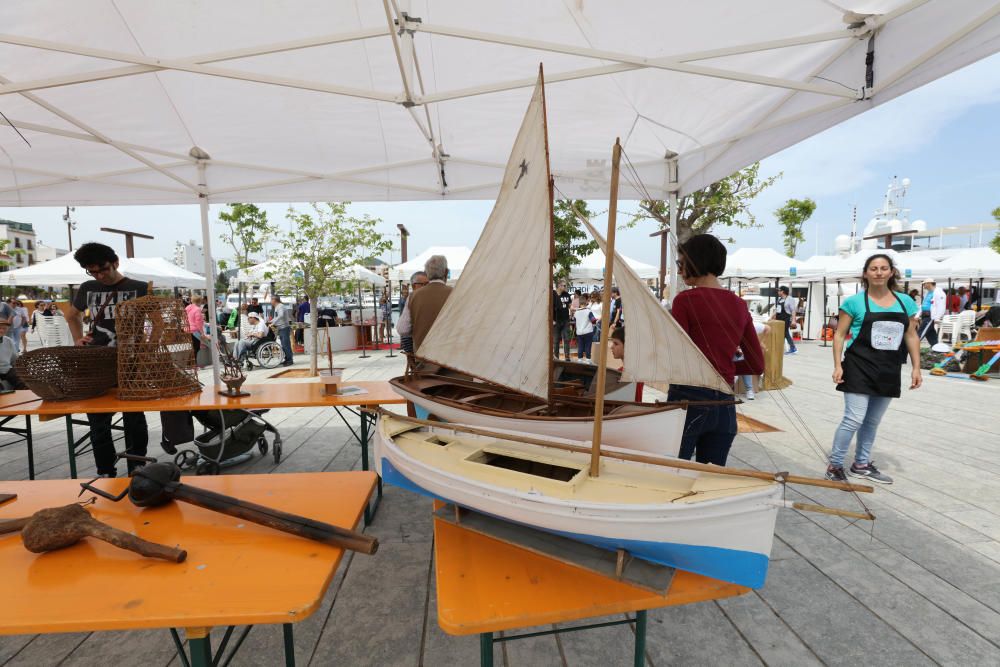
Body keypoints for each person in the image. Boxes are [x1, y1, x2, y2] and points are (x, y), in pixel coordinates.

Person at [669, 234, 764, 466]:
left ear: (695, 262)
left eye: (681, 264)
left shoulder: (685, 300)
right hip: (725, 403)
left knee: (671, 473)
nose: (680, 270)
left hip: (688, 398)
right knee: (711, 479)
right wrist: (727, 368)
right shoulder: (740, 305)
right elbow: (756, 365)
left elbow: (675, 354)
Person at [826, 253, 921, 485]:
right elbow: (839, 335)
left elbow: (911, 335)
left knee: (872, 421)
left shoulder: (905, 302)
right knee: (854, 418)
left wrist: (917, 367)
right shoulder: (854, 302)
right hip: (858, 366)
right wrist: (838, 365)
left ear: (891, 272)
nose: (879, 272)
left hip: (888, 369)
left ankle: (861, 464)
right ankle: (835, 465)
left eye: (884, 268)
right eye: (874, 268)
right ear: (866, 273)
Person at [66, 242, 149, 478]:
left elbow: (157, 321)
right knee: (98, 421)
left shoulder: (140, 288)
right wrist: (78, 339)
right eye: (92, 271)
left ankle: (137, 468)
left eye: (103, 269)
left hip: (132, 362)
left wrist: (148, 346)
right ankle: (105, 472)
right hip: (96, 362)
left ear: (115, 263)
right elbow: (72, 315)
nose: (99, 275)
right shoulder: (87, 287)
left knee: (134, 418)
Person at [407, 255, 453, 352]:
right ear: (446, 272)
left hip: (423, 357)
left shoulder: (413, 296)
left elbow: (402, 329)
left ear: (427, 273)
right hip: (450, 356)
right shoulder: (456, 293)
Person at [397, 271, 429, 354]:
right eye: (424, 284)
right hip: (418, 347)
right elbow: (403, 329)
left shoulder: (415, 297)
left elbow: (402, 329)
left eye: (428, 284)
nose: (427, 287)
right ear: (414, 286)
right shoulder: (413, 297)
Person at [737, 320, 770, 400]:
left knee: (744, 360)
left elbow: (768, 328)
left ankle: (749, 389)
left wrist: (760, 342)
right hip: (733, 351)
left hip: (745, 353)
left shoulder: (752, 325)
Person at [609, 327, 644, 402]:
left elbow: (634, 402)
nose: (611, 347)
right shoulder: (623, 370)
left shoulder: (630, 373)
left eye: (616, 344)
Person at [918, 278, 946, 345]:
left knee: (920, 333)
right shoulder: (927, 293)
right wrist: (918, 315)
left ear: (929, 283)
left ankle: (910, 348)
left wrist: (937, 318)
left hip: (930, 316)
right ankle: (936, 349)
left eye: (924, 284)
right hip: (925, 315)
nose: (923, 285)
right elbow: (923, 305)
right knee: (930, 335)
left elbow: (941, 306)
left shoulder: (938, 293)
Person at [0, 319, 25, 389]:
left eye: (4, 328)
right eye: (0, 328)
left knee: (23, 382)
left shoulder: (8, 340)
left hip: (7, 369)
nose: (1, 330)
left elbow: (15, 359)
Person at [270, 295, 293, 367]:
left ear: (274, 300)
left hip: (284, 328)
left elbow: (281, 315)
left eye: (271, 300)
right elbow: (277, 317)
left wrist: (273, 323)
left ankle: (289, 360)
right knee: (284, 344)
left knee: (286, 345)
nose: (270, 301)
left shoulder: (280, 306)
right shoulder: (278, 307)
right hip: (281, 328)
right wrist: (271, 321)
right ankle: (287, 359)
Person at [573, 293, 597, 362]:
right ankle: (588, 360)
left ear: (579, 303)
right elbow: (593, 320)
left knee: (580, 346)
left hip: (579, 332)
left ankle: (580, 359)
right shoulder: (588, 311)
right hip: (588, 332)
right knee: (588, 346)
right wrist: (595, 322)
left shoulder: (576, 313)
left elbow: (575, 321)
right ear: (586, 302)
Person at [552, 280, 572, 360]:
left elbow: (570, 306)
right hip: (556, 321)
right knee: (556, 341)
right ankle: (556, 357)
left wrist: (577, 310)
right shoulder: (553, 295)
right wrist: (552, 320)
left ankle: (567, 357)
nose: (565, 287)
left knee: (566, 339)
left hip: (565, 320)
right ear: (559, 286)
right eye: (564, 285)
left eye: (565, 285)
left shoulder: (567, 294)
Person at [776, 286, 798, 354]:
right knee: (781, 333)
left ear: (782, 291)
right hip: (779, 319)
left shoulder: (790, 299)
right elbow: (777, 310)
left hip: (786, 318)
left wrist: (794, 320)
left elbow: (793, 310)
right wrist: (771, 317)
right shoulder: (779, 299)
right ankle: (780, 348)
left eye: (779, 290)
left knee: (785, 333)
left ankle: (793, 347)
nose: (778, 292)